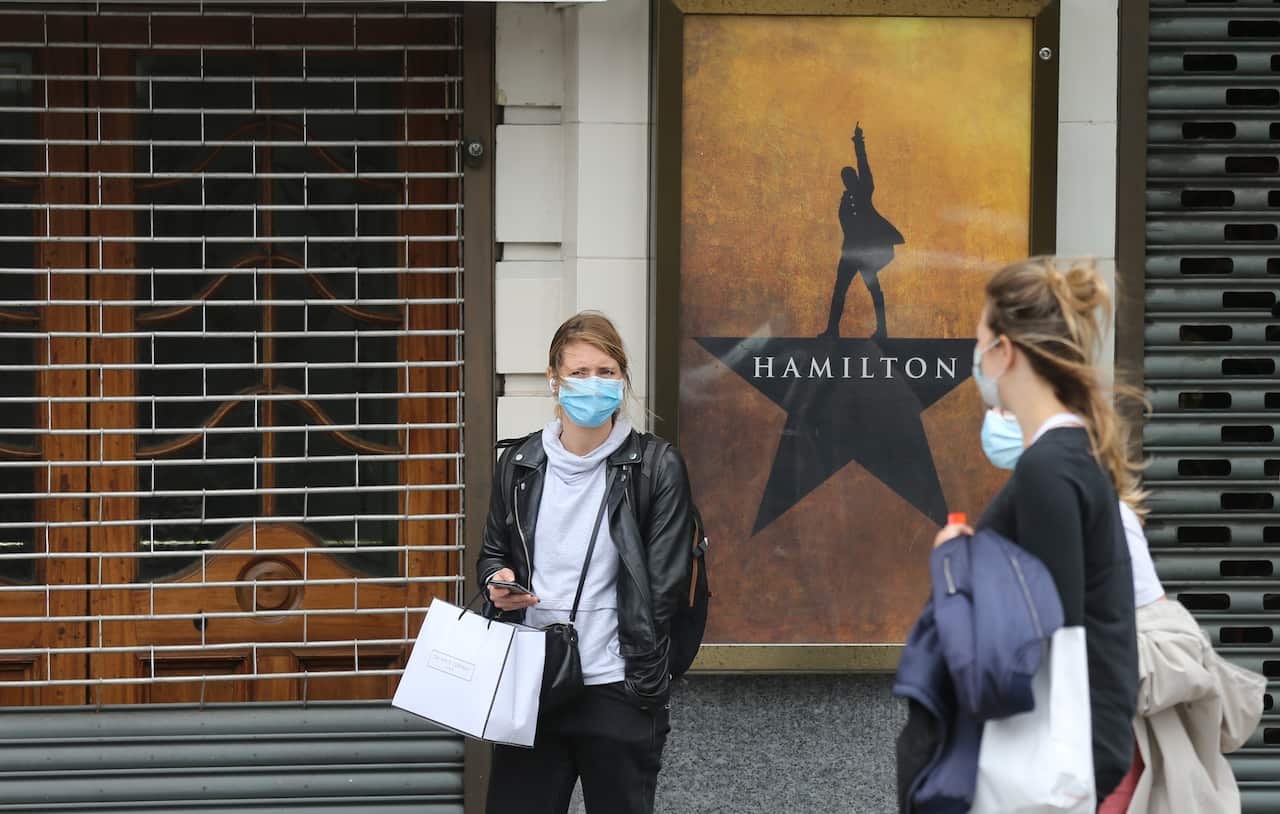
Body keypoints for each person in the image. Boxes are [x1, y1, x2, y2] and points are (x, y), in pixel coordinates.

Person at [915, 256, 1141, 803]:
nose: (977, 359)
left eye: (980, 342)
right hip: (1071, 749)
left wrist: (961, 570)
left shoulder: (1047, 467)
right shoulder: (1070, 455)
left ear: (1004, 352)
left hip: (1049, 761)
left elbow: (1046, 629)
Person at [477, 311, 694, 814]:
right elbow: (493, 553)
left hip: (619, 687)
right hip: (532, 685)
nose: (592, 384)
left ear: (623, 380)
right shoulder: (520, 464)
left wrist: (640, 670)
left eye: (606, 372)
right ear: (554, 379)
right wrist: (498, 581)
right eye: (578, 373)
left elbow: (664, 587)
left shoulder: (656, 467)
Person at [819, 122, 904, 341]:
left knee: (873, 288)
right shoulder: (845, 201)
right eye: (845, 179)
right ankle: (832, 330)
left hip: (865, 252)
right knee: (839, 291)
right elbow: (845, 224)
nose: (848, 181)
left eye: (850, 177)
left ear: (855, 178)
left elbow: (863, 164)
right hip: (850, 252)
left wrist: (858, 143)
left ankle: (882, 330)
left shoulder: (864, 191)